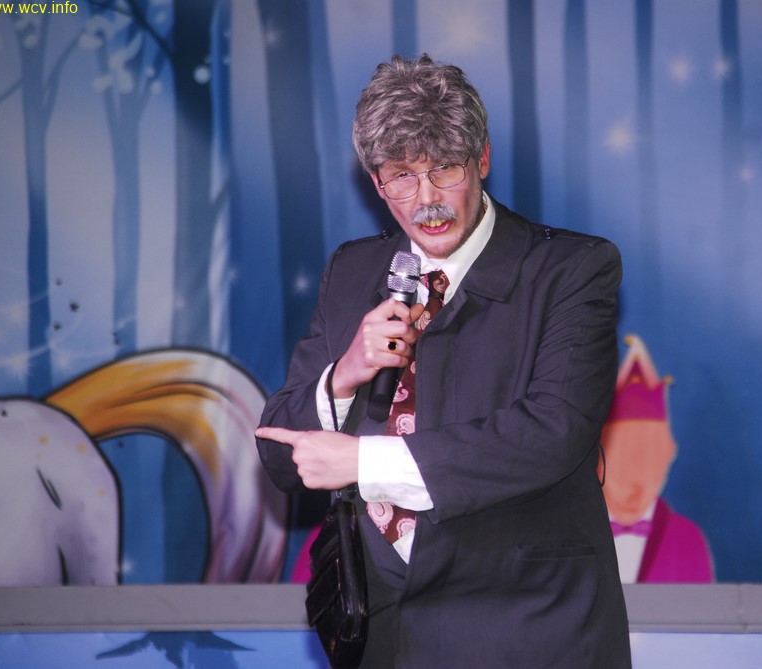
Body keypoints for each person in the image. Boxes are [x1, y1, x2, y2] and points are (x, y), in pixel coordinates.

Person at [255, 54, 631, 667]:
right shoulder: (352, 271)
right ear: (375, 181)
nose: (426, 200)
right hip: (383, 632)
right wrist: (344, 375)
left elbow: (553, 432)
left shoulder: (570, 269)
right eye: (401, 176)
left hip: (528, 627)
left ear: (482, 160)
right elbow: (280, 455)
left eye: (444, 169)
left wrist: (363, 461)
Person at [600, 334, 713, 583]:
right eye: (623, 455)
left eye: (648, 455)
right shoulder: (569, 534)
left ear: (668, 453)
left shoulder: (687, 539)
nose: (634, 476)